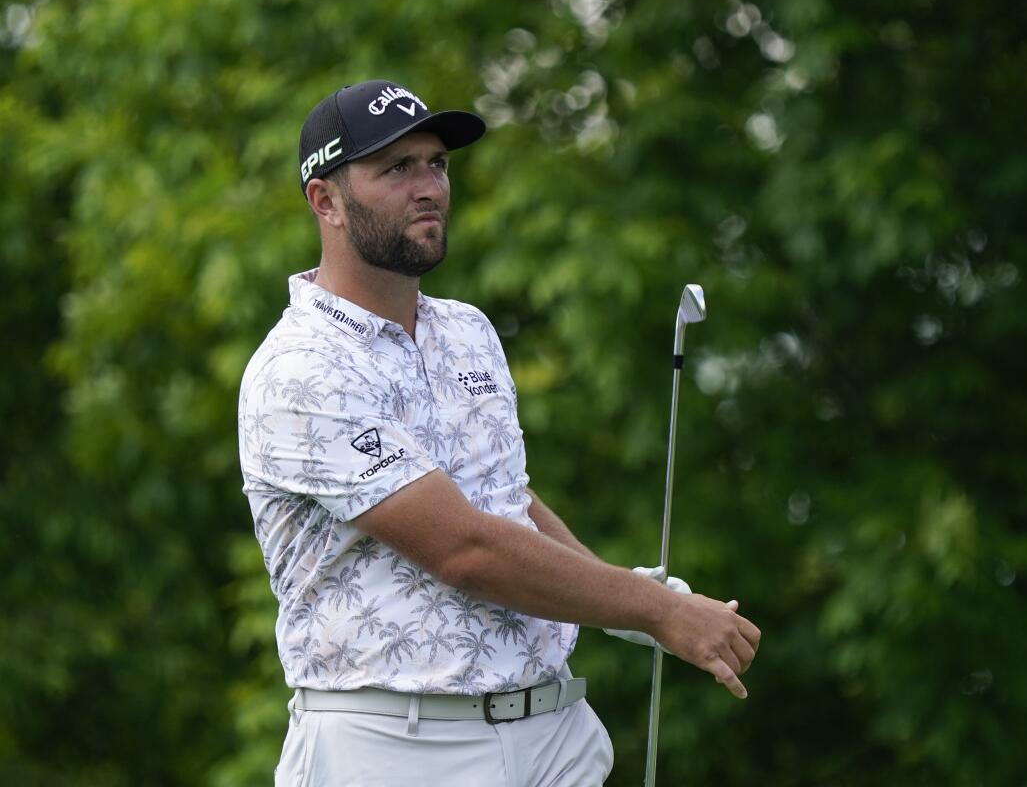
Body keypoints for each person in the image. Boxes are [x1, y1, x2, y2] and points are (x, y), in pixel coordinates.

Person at [237, 79, 761, 786]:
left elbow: (505, 499)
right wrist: (660, 610)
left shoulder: (468, 331)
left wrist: (621, 601)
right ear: (324, 201)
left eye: (437, 164)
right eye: (397, 168)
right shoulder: (300, 369)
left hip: (553, 735)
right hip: (397, 750)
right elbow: (464, 548)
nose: (429, 187)